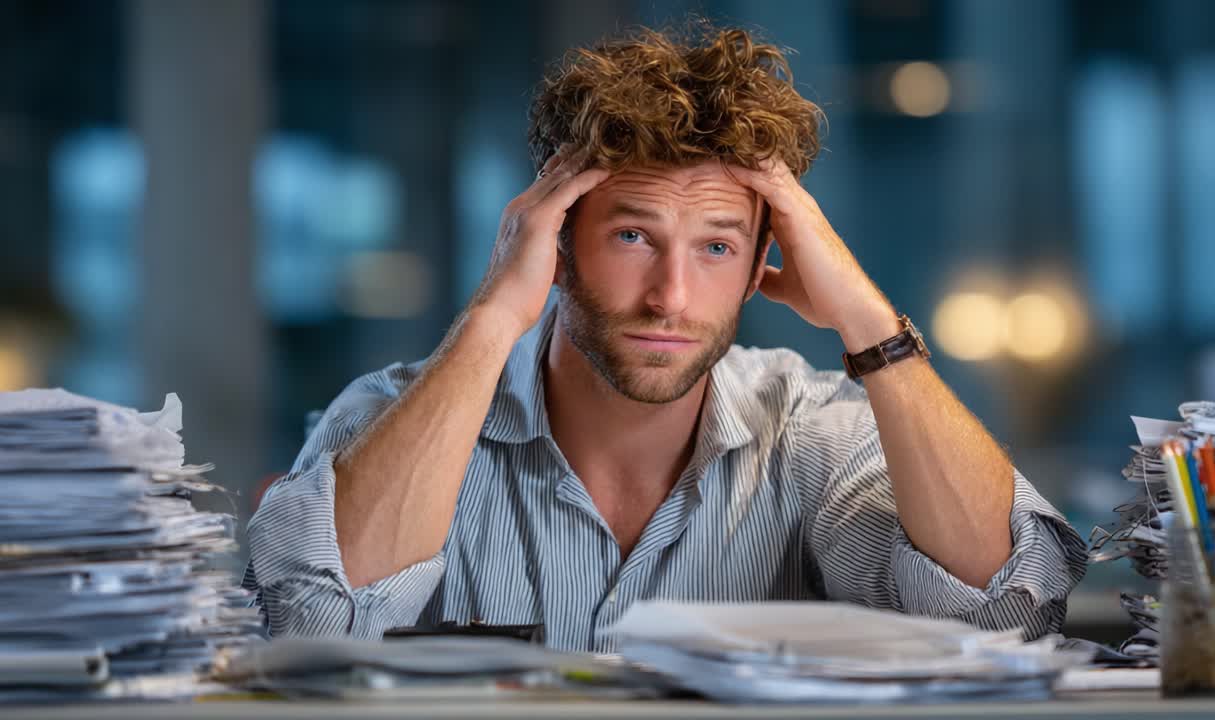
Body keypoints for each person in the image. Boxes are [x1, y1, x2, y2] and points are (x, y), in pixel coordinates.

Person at [245, 24, 1087, 652]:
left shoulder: (815, 430)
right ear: (556, 241)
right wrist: (495, 314)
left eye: (717, 246)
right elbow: (305, 625)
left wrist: (869, 323)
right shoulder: (395, 416)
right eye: (632, 237)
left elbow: (1004, 611)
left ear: (764, 261)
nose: (671, 298)